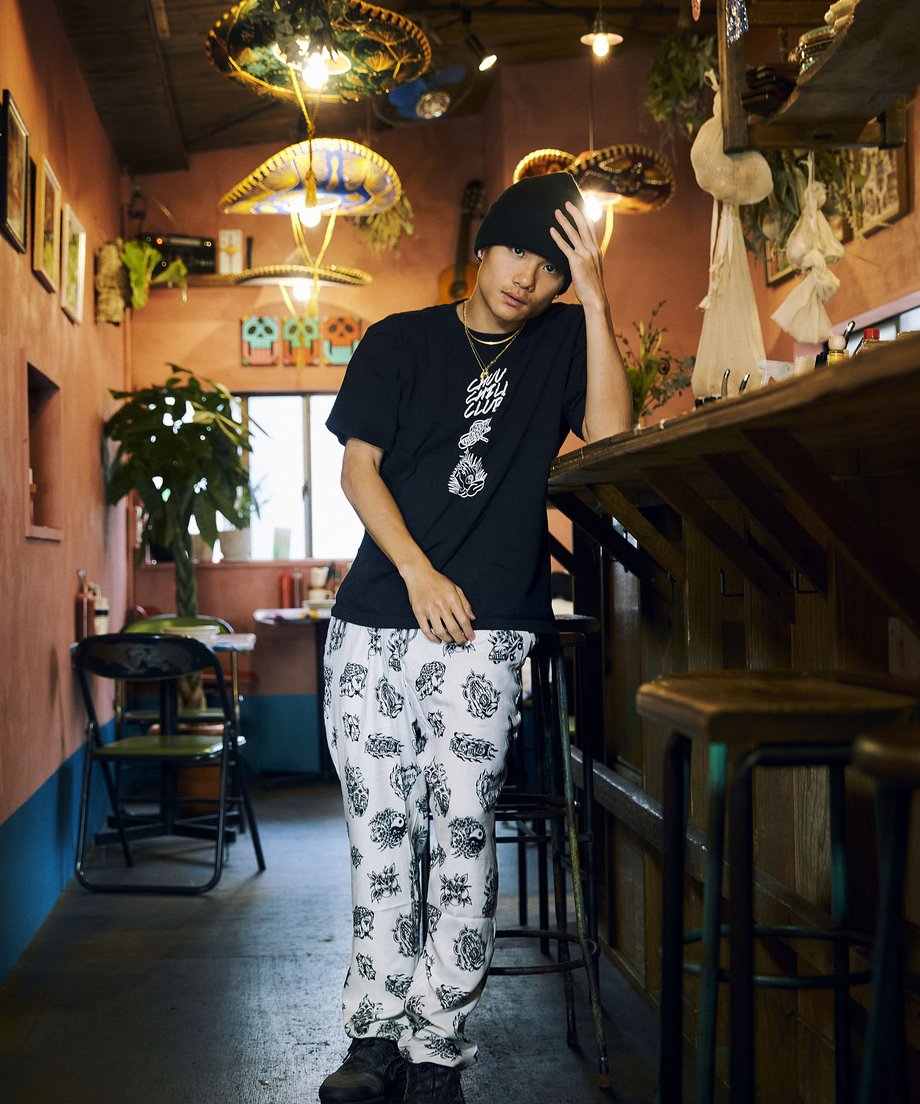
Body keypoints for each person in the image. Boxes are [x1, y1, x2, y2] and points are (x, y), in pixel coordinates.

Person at [319, 172, 631, 1104]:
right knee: (381, 838)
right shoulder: (399, 340)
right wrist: (418, 571)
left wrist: (597, 297)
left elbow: (610, 435)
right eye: (518, 252)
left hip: (486, 629)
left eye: (552, 266)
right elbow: (358, 471)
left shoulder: (565, 340)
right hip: (376, 620)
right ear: (484, 248)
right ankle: (374, 1037)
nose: (527, 278)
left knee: (461, 834)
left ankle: (437, 1046)